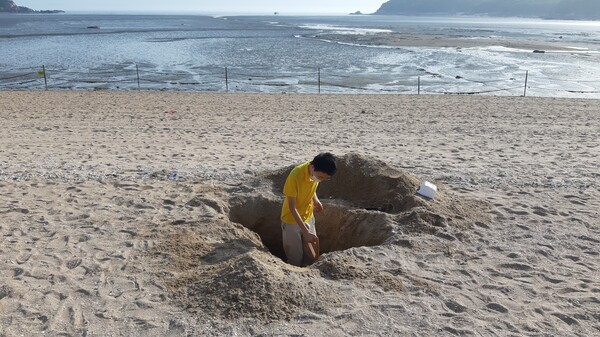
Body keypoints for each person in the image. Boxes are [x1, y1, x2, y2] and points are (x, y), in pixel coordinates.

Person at [280, 153, 337, 266]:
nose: (320, 180)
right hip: (291, 220)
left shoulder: (316, 172)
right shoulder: (295, 176)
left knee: (312, 254)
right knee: (295, 256)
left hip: (308, 216)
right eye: (320, 177)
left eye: (325, 179)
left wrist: (316, 201)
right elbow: (292, 207)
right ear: (312, 166)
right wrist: (305, 232)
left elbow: (312, 188)